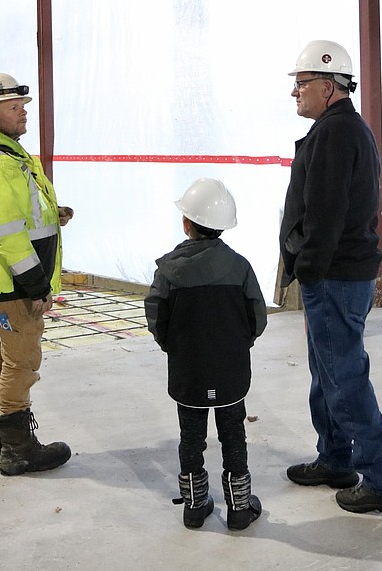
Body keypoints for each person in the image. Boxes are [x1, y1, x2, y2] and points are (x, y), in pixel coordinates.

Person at [278, 40, 382, 513]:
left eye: (302, 84)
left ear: (329, 88)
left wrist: (306, 268)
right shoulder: (341, 129)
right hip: (335, 273)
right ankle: (335, 457)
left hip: (333, 275)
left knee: (345, 376)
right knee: (327, 370)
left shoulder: (337, 134)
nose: (295, 93)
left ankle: (380, 477)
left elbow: (326, 214)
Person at [0, 72, 75, 476]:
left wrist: (51, 217)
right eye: (13, 107)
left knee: (0, 359)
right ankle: (19, 450)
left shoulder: (3, 158)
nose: (23, 112)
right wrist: (38, 286)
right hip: (15, 284)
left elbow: (11, 218)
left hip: (0, 284)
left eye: (21, 105)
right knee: (22, 363)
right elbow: (8, 238)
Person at [144, 178, 268, 530]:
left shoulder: (168, 270)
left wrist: (175, 347)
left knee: (191, 438)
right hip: (230, 372)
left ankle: (195, 507)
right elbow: (257, 318)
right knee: (233, 437)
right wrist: (235, 346)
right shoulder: (240, 266)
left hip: (189, 372)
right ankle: (239, 508)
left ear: (186, 223)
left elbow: (156, 316)